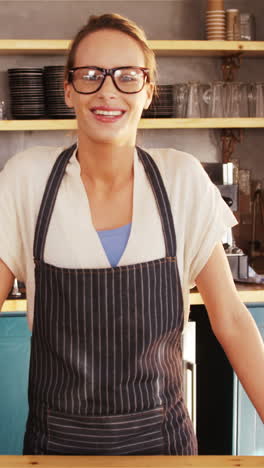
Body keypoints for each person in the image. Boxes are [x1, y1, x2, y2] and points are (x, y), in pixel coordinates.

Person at [0, 13, 263, 456]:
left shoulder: (183, 179)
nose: (107, 90)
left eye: (127, 76)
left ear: (148, 91)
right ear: (67, 89)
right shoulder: (26, 181)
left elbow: (233, 321)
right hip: (57, 448)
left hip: (164, 445)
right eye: (89, 75)